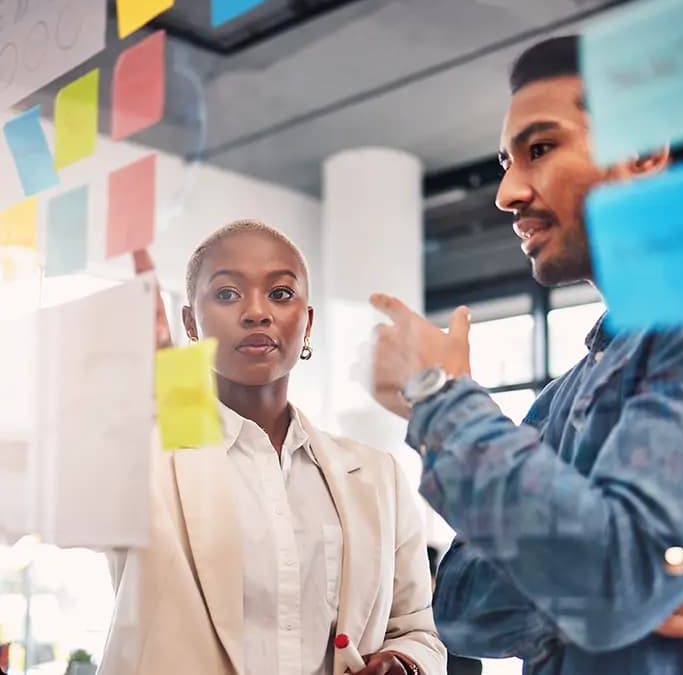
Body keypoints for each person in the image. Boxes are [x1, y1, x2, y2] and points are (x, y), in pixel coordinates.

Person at [367, 36, 683, 674]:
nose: (507, 192)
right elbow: (461, 603)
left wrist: (439, 396)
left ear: (641, 153)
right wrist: (600, 591)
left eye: (540, 149)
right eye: (504, 161)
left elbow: (613, 579)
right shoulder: (565, 393)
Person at [100, 220, 446, 675]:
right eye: (227, 294)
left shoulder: (378, 476)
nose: (256, 312)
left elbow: (419, 629)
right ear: (190, 322)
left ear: (307, 323)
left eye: (281, 294)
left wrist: (404, 663)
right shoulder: (141, 459)